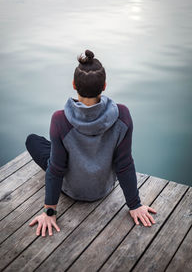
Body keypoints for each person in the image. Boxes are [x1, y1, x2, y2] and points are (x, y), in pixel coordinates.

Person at [25, 49, 157, 237]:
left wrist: (49, 212)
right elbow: (124, 164)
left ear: (73, 85)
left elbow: (55, 169)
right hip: (103, 189)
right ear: (104, 86)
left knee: (33, 141)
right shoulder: (123, 115)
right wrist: (135, 205)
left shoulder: (59, 119)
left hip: (71, 190)